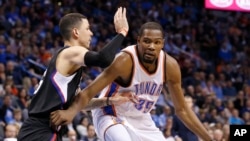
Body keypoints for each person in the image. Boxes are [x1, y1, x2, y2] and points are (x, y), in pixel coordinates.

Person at [50, 22, 213, 141]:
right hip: (110, 113)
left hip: (141, 118)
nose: (151, 46)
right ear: (138, 40)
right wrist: (70, 112)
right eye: (147, 41)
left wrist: (208, 139)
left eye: (156, 43)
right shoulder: (124, 61)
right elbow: (88, 92)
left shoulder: (170, 66)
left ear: (162, 44)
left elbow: (182, 109)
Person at [17, 7, 131, 141]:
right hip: (40, 131)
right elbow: (103, 58)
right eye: (88, 29)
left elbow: (79, 102)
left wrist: (109, 101)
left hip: (40, 131)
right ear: (76, 32)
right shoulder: (70, 53)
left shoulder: (70, 64)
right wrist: (122, 33)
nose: (91, 34)